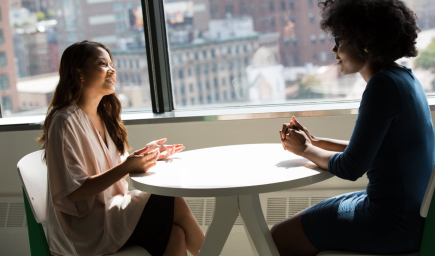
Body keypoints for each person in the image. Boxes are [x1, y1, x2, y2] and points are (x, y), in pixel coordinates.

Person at [271, 0, 435, 255]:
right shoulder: (404, 78)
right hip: (412, 217)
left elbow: (352, 166)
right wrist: (314, 142)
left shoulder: (382, 87)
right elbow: (374, 152)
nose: (334, 49)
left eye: (340, 40)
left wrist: (304, 150)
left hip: (391, 223)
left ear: (364, 43)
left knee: (279, 236)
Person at [38, 40, 204, 256]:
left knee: (176, 234)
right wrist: (127, 167)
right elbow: (74, 193)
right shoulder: (64, 121)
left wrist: (148, 155)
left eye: (111, 64)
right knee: (171, 201)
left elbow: (113, 166)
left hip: (110, 212)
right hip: (84, 231)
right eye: (102, 63)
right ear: (79, 72)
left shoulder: (104, 117)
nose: (112, 70)